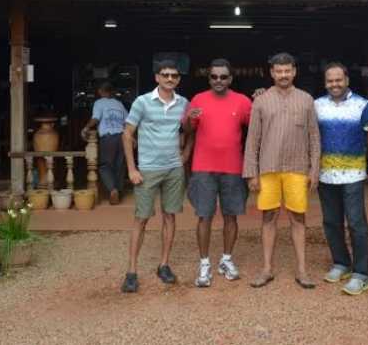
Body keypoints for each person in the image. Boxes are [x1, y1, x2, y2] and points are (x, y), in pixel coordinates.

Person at [243, 52, 321, 289]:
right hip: (268, 168)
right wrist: (251, 173)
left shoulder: (306, 99)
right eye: (279, 71)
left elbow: (314, 137)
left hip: (298, 168)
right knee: (269, 217)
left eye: (288, 70)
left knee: (298, 217)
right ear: (272, 73)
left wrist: (314, 170)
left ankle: (302, 270)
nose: (284, 75)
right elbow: (252, 139)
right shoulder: (261, 101)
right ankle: (267, 269)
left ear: (294, 72)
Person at [120, 60, 190, 293]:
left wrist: (186, 155)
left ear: (178, 79)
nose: (170, 79)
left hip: (173, 169)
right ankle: (131, 271)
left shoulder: (183, 103)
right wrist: (132, 169)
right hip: (148, 168)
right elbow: (127, 134)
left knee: (170, 216)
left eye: (174, 75)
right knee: (141, 218)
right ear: (157, 77)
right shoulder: (142, 102)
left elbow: (191, 131)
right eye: (165, 75)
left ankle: (164, 265)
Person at [183, 58, 252, 287]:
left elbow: (257, 126)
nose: (218, 80)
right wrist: (189, 119)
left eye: (223, 77)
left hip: (233, 167)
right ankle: (204, 263)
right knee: (204, 216)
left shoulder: (242, 101)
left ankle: (226, 259)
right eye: (214, 76)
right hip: (203, 167)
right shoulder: (198, 99)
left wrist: (261, 99)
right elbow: (187, 129)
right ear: (209, 78)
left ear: (230, 79)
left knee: (231, 216)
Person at [314, 62, 368, 295]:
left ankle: (361, 273)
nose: (334, 84)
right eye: (330, 81)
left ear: (347, 80)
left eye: (338, 80)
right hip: (325, 174)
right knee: (331, 222)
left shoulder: (363, 105)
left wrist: (363, 161)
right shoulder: (317, 105)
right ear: (325, 83)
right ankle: (341, 263)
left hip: (353, 174)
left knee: (356, 223)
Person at [80, 81, 127, 205]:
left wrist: (86, 128)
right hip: (122, 138)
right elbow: (127, 122)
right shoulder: (119, 104)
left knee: (105, 166)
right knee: (119, 166)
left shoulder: (99, 103)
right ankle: (118, 191)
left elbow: (96, 118)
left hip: (108, 138)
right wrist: (132, 138)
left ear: (100, 91)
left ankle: (113, 190)